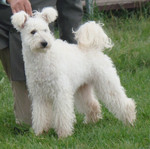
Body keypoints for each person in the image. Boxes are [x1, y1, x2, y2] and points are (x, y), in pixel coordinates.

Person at [0, 0, 83, 125]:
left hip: (40, 12)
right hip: (5, 21)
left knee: (28, 121)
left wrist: (75, 49)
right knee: (28, 122)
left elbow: (70, 6)